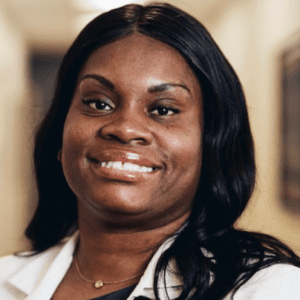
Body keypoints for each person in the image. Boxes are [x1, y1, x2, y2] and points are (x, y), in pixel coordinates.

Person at [1, 2, 300, 300]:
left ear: (212, 143)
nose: (125, 128)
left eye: (164, 109)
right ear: (60, 135)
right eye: (98, 103)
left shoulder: (271, 289)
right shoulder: (5, 278)